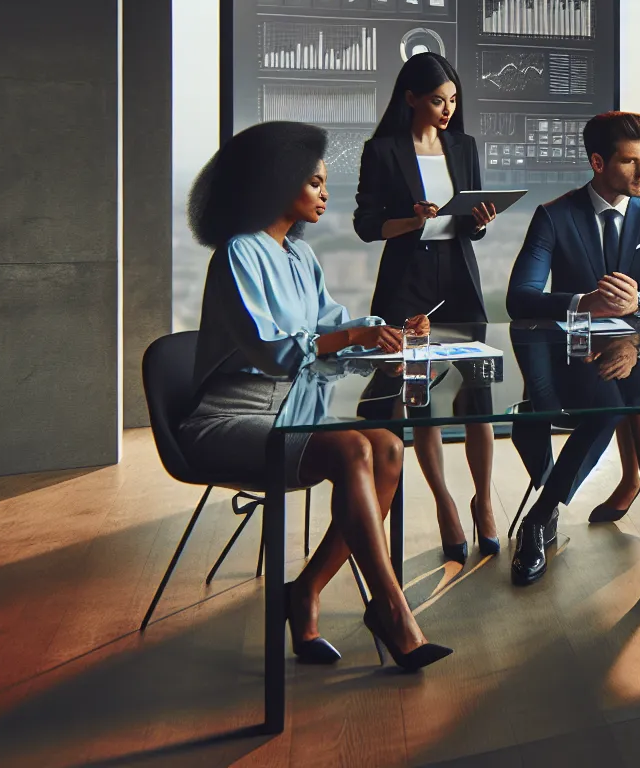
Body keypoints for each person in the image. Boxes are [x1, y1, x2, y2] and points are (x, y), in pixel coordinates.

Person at [182, 121, 450, 672]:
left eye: (326, 184)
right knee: (353, 448)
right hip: (231, 417)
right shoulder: (238, 254)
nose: (325, 195)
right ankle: (391, 608)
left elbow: (332, 334)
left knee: (387, 446)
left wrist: (389, 331)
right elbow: (274, 352)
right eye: (315, 184)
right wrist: (351, 336)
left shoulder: (300, 258)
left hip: (295, 411)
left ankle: (304, 591)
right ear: (276, 183)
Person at [506, 111, 640, 589]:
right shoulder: (555, 215)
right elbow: (520, 298)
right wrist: (580, 303)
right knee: (615, 404)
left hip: (639, 346)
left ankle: (545, 517)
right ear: (597, 161)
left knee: (638, 387)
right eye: (630, 162)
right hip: (575, 352)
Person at [354, 52, 502, 566]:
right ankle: (445, 505)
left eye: (454, 100)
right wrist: (409, 219)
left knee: (476, 396)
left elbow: (472, 224)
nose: (447, 109)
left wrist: (480, 218)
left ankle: (484, 501)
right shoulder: (383, 150)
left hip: (459, 279)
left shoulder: (464, 146)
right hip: (406, 287)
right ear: (411, 97)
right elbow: (367, 224)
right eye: (438, 99)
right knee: (421, 401)